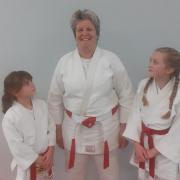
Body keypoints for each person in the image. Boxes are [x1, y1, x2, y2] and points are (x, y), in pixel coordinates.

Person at [48, 9, 134, 180]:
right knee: (73, 175)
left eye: (89, 29)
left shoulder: (111, 60)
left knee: (110, 175)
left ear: (97, 33)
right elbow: (54, 98)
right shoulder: (64, 62)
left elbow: (126, 95)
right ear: (74, 34)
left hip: (106, 128)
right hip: (74, 129)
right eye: (80, 30)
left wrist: (124, 127)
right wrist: (57, 129)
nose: (85, 33)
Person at [123, 47, 180, 180]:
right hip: (143, 146)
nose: (150, 64)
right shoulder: (144, 84)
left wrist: (154, 151)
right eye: (150, 60)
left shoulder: (178, 93)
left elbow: (178, 129)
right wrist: (136, 145)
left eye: (155, 62)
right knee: (144, 176)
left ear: (169, 70)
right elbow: (134, 116)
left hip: (165, 151)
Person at [2, 71, 56, 180]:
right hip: (29, 165)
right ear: (14, 91)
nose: (32, 85)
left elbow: (51, 127)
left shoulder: (41, 105)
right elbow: (16, 145)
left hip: (46, 159)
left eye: (31, 81)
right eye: (26, 83)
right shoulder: (11, 117)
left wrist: (50, 151)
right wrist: (36, 159)